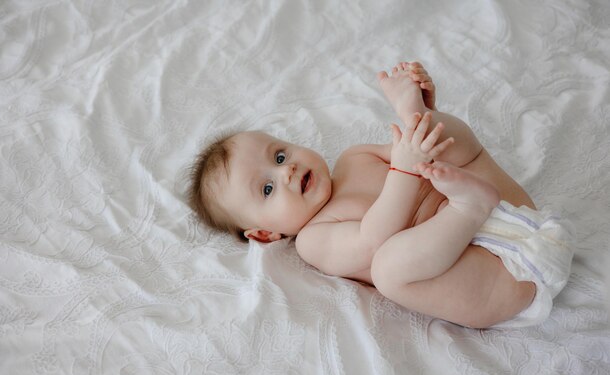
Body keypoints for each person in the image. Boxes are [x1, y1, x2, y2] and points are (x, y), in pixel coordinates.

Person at [187, 61, 575, 329]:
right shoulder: (314, 239)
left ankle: (417, 117)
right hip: (498, 279)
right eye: (268, 188)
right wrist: (405, 168)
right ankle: (467, 208)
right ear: (264, 234)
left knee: (445, 144)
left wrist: (422, 122)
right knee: (388, 267)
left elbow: (426, 157)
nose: (286, 170)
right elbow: (373, 238)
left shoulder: (353, 157)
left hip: (516, 212)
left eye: (280, 154)